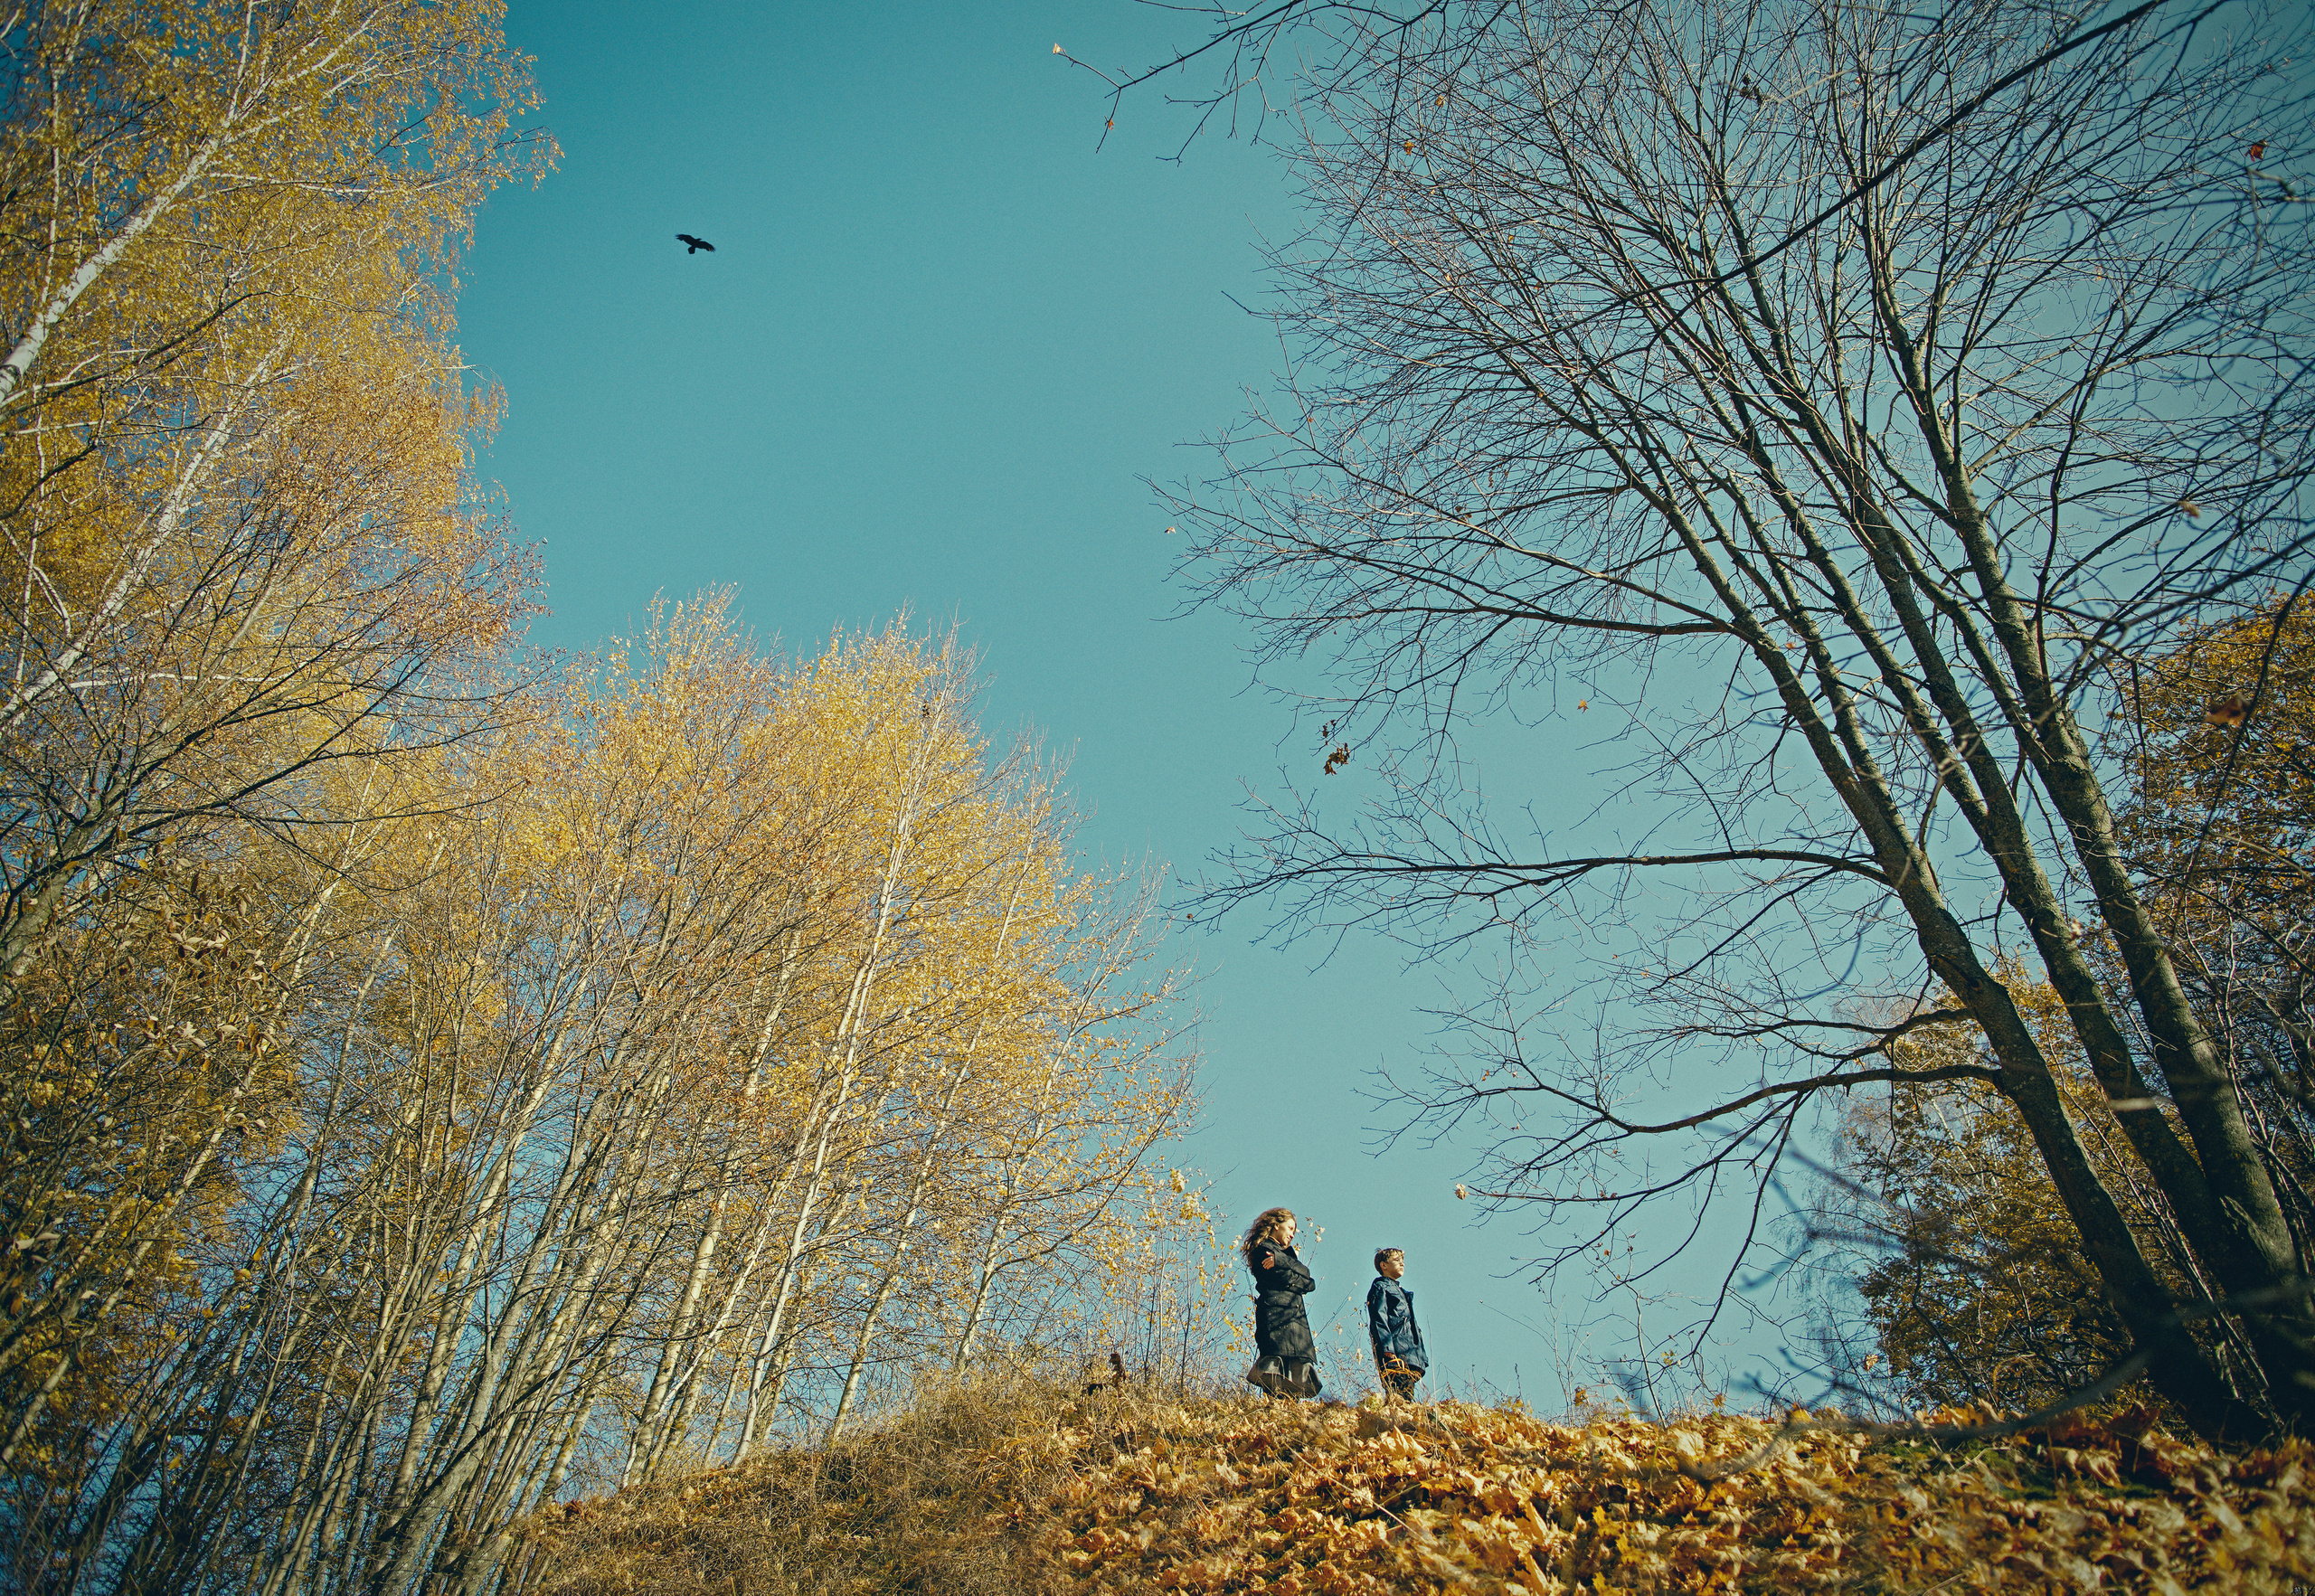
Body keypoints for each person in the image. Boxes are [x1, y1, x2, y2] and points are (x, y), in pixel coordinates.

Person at [1243, 1207, 1320, 1399]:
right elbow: (1288, 1278)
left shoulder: (1283, 1256)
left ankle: (1292, 1423)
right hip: (1275, 1319)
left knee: (1295, 1382)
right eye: (1290, 1228)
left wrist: (1282, 1261)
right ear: (1276, 1225)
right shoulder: (1263, 1251)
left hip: (1296, 1324)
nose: (1293, 1234)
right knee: (1275, 1380)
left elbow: (1309, 1281)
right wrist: (1291, 1272)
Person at [1365, 1246, 1427, 1401]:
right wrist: (1388, 1348)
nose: (1402, 1263)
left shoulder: (1402, 1292)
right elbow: (1379, 1319)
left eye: (1403, 1260)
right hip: (1394, 1352)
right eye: (1396, 1260)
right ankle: (1393, 1421)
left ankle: (1402, 1422)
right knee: (1398, 1396)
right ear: (1384, 1265)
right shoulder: (1381, 1287)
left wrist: (1421, 1358)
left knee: (1406, 1396)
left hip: (1409, 1353)